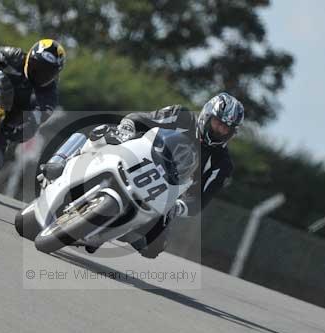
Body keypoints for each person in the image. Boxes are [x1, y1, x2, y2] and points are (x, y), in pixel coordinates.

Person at [42, 92, 245, 258]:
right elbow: (141, 119)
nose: (220, 130)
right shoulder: (181, 116)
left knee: (153, 246)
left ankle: (103, 231)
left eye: (225, 128)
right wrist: (127, 129)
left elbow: (201, 198)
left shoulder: (222, 163)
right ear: (207, 115)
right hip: (137, 157)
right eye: (217, 123)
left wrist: (178, 207)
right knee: (100, 133)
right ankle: (60, 161)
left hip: (165, 192)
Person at [0, 39, 65, 180]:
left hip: (3, 123)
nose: (39, 74)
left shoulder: (48, 96)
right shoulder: (14, 56)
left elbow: (33, 124)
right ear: (29, 58)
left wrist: (13, 132)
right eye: (37, 67)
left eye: (47, 72)